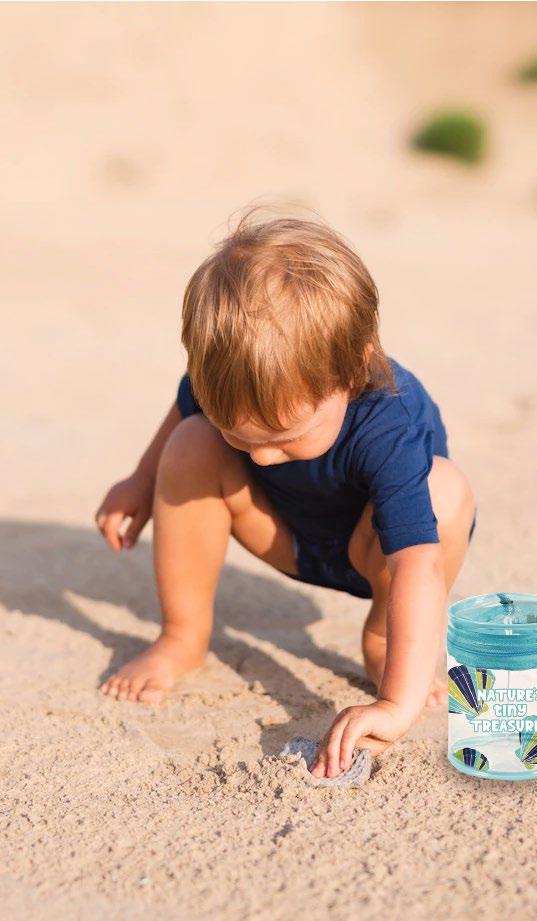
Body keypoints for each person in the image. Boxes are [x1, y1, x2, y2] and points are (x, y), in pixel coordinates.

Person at [95, 213, 476, 779]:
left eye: (284, 437)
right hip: (282, 532)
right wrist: (141, 482)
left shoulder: (387, 421)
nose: (262, 458)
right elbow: (185, 408)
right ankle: (182, 636)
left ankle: (382, 638)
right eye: (242, 437)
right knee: (192, 441)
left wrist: (396, 705)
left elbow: (416, 561)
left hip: (375, 551)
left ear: (354, 369)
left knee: (444, 489)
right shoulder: (229, 374)